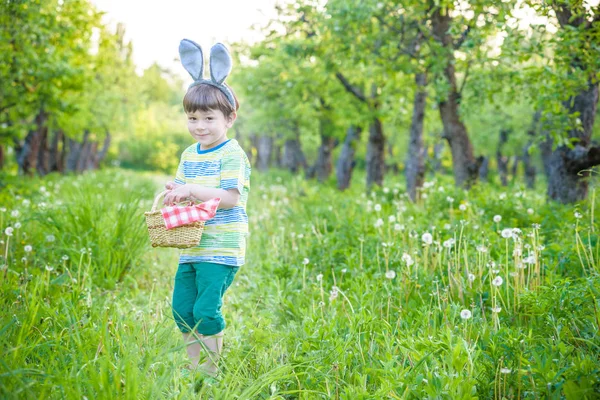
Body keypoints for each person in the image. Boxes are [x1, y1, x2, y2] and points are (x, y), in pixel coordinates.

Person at [163, 40, 250, 380]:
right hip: (192, 246)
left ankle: (211, 372)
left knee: (205, 309)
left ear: (229, 118)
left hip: (222, 248)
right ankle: (192, 367)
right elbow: (185, 190)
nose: (200, 125)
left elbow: (230, 197)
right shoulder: (189, 154)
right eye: (193, 117)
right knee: (183, 309)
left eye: (209, 118)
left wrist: (193, 190)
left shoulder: (232, 154)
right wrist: (176, 193)